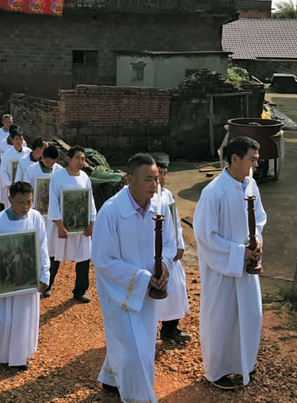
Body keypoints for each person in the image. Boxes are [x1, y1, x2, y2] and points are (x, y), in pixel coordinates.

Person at [92, 153, 176, 402]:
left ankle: (110, 378)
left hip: (151, 289)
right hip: (121, 290)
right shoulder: (111, 212)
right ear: (129, 179)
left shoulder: (159, 207)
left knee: (144, 341)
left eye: (156, 179)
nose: (155, 184)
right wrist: (141, 278)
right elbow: (103, 260)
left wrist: (165, 269)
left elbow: (170, 243)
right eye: (148, 179)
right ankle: (140, 397)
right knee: (135, 348)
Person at [193, 136, 266, 390]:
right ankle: (217, 371)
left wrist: (257, 244)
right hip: (223, 271)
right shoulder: (213, 192)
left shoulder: (250, 186)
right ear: (235, 159)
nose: (256, 165)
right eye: (252, 159)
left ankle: (245, 363)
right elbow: (205, 236)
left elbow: (260, 219)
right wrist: (238, 253)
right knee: (222, 320)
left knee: (250, 315)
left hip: (247, 269)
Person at [0, 182, 50, 370]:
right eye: (21, 202)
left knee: (24, 320)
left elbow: (42, 249)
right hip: (5, 283)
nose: (25, 207)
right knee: (4, 322)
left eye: (29, 202)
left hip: (28, 282)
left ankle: (20, 358)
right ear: (10, 199)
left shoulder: (36, 218)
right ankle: (3, 355)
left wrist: (45, 275)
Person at [47, 145, 96, 303]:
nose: (81, 161)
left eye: (83, 158)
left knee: (83, 257)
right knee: (54, 256)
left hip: (80, 226)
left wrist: (91, 222)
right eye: (78, 158)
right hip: (62, 226)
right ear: (69, 158)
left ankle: (80, 290)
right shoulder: (58, 176)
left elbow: (90, 201)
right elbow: (53, 202)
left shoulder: (85, 178)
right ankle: (46, 285)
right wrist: (60, 225)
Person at [155, 161, 190, 343]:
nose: (162, 178)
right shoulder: (148, 198)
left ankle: (170, 329)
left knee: (175, 289)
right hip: (156, 254)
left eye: (165, 173)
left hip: (172, 252)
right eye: (159, 173)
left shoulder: (167, 195)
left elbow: (175, 223)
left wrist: (180, 244)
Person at [25, 145, 62, 264]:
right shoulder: (31, 170)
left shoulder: (59, 171)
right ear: (42, 157)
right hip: (36, 211)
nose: (49, 164)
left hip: (53, 215)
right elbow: (26, 190)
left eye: (52, 163)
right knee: (37, 243)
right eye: (47, 162)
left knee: (52, 246)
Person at [0, 129, 31, 208]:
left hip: (27, 187)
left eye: (21, 139)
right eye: (17, 139)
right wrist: (9, 184)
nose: (19, 141)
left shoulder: (29, 153)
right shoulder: (7, 155)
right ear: (12, 139)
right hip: (12, 187)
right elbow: (3, 171)